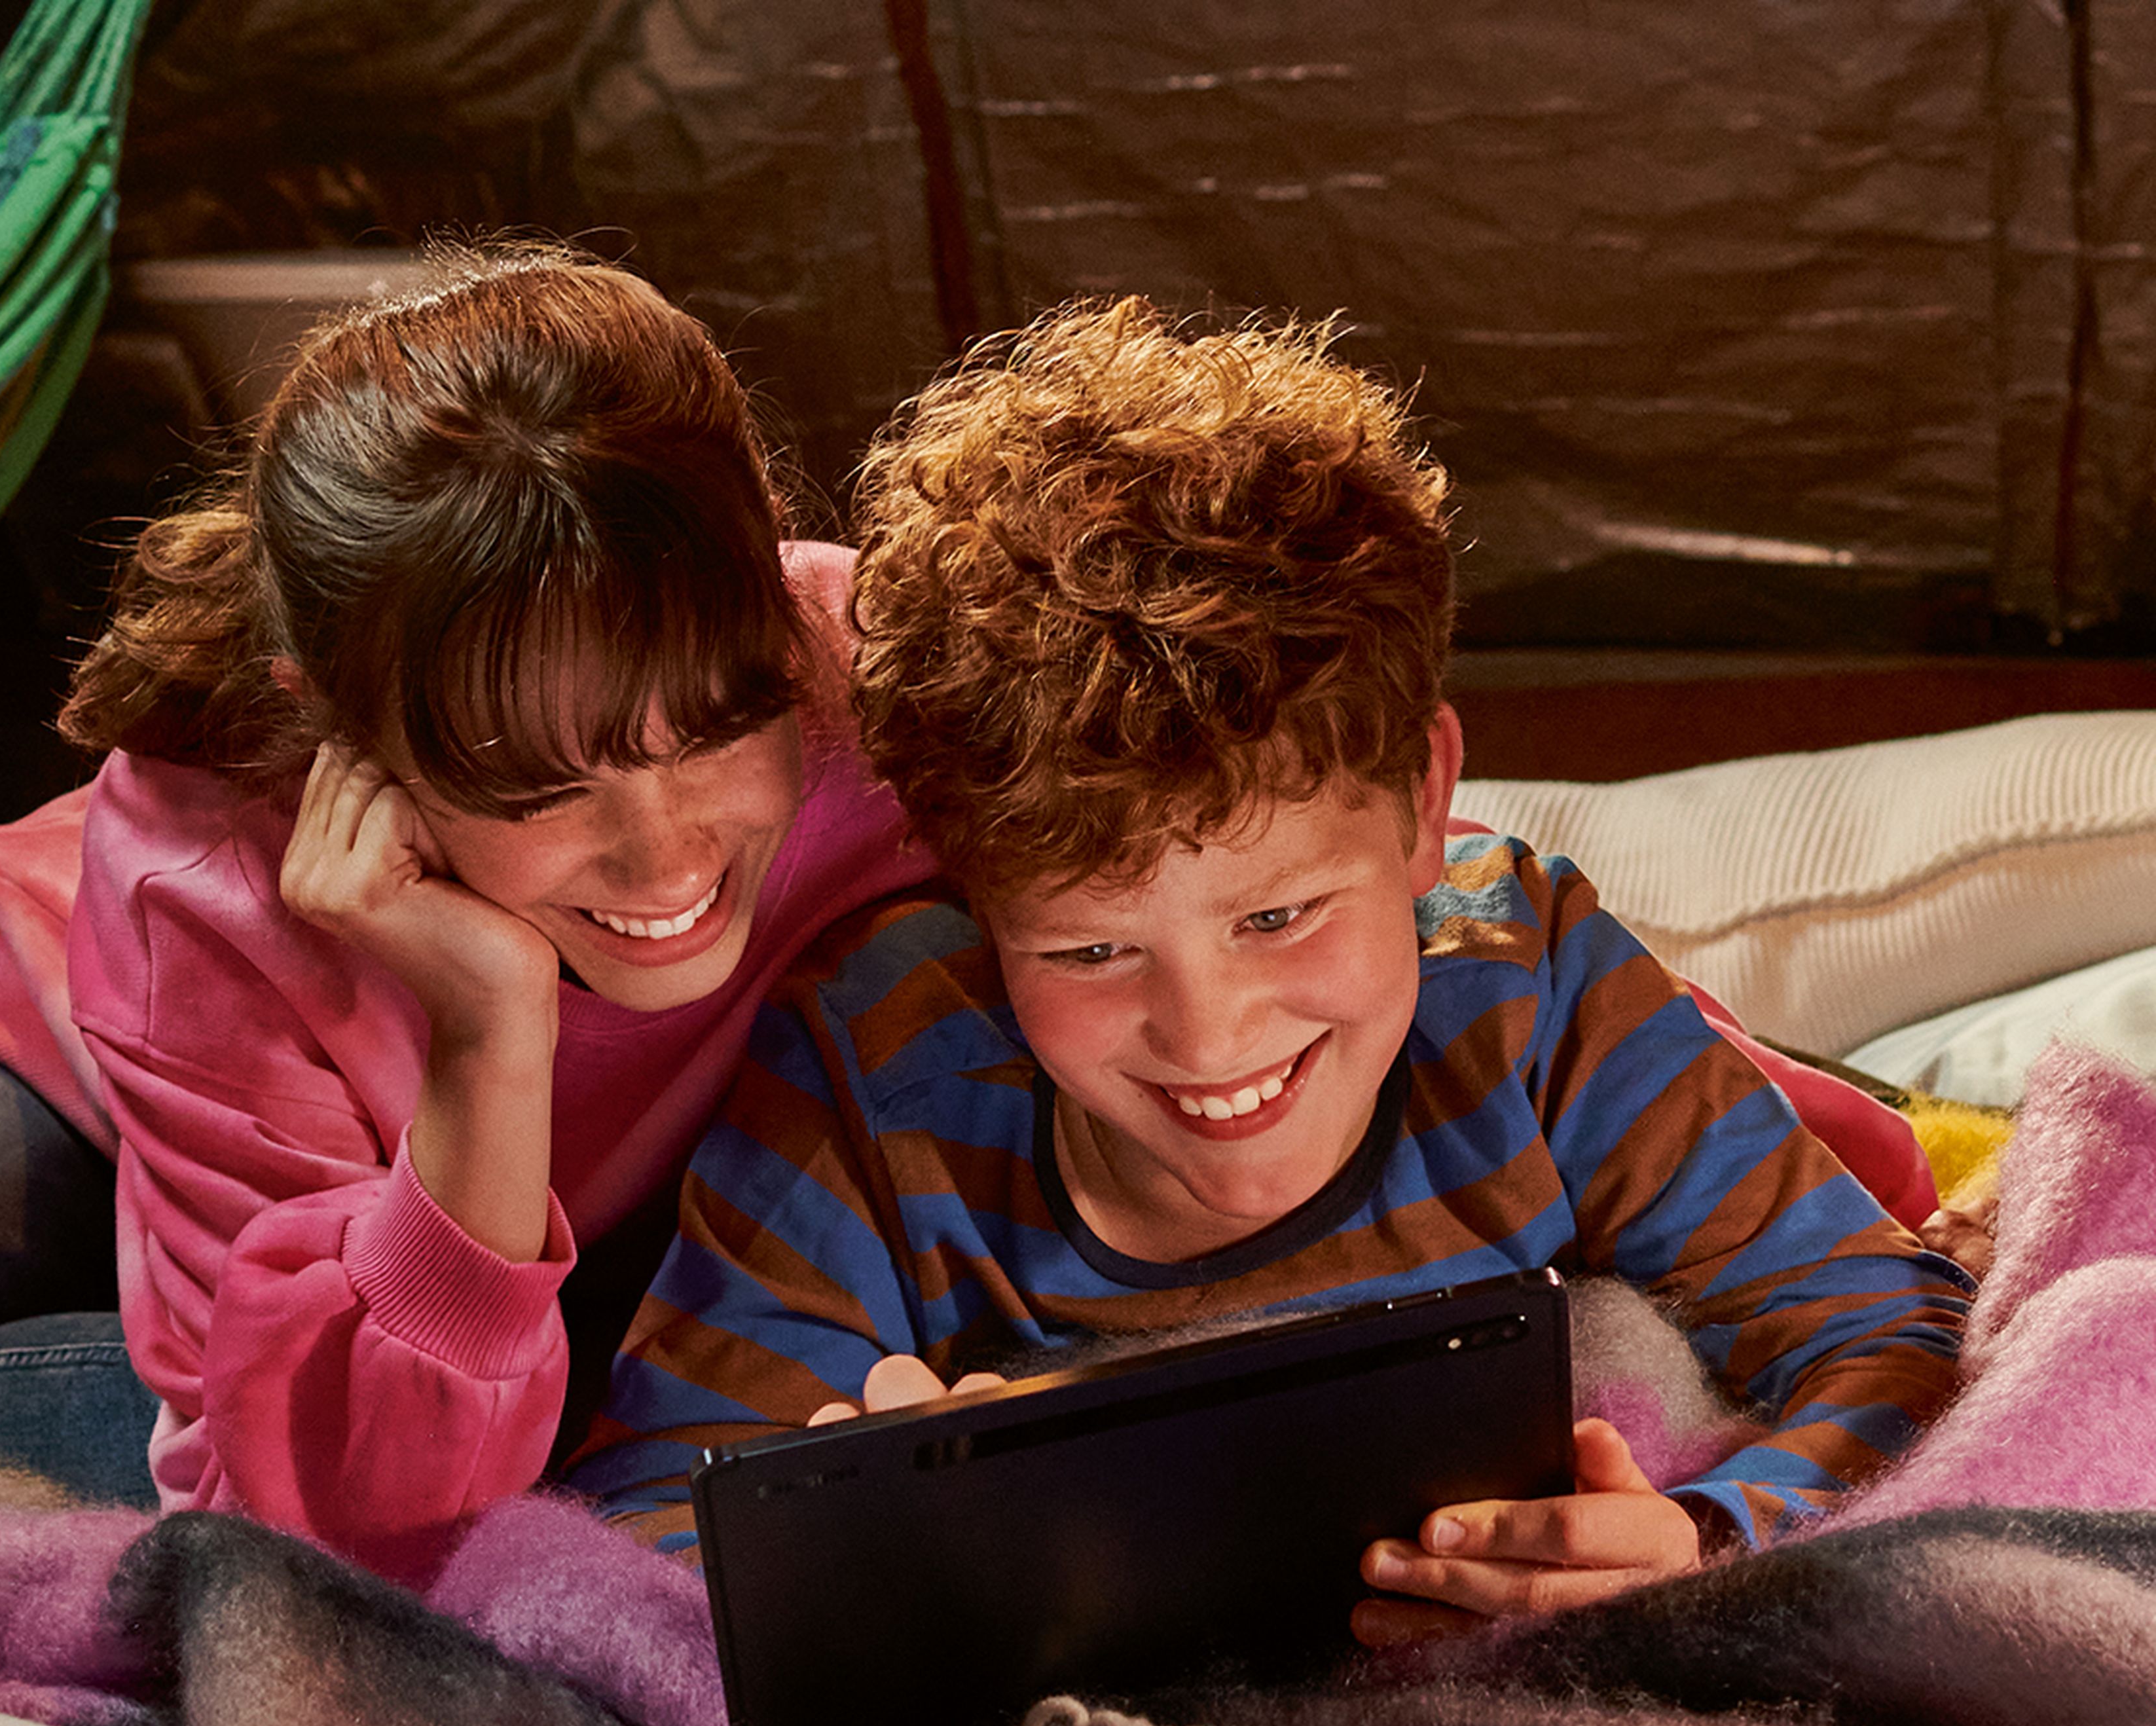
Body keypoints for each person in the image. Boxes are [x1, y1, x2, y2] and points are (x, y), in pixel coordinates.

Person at [568, 299, 1971, 1644]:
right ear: (970, 893)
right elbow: (644, 1524)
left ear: (1423, 802)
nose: (1209, 1034)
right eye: (1092, 949)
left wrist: (1706, 1538)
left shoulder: (1530, 989)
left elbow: (1889, 1332)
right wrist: (877, 1541)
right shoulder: (874, 1072)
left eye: (1280, 916)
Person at [0, 245, 929, 1592]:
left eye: (720, 726)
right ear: (336, 725)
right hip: (79, 1059)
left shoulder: (889, 691)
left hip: (472, 1226)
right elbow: (294, 1551)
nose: (665, 854)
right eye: (537, 783)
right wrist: (488, 1033)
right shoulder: (203, 874)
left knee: (511, 1433)